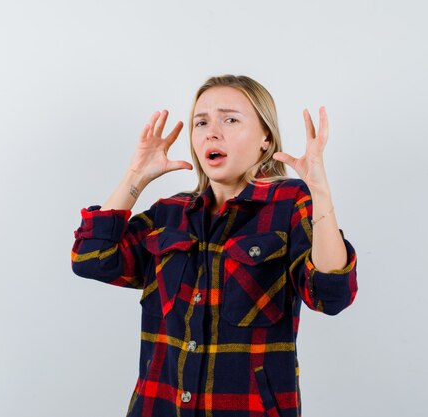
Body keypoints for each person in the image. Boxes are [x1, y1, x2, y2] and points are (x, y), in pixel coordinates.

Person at [71, 74, 358, 417]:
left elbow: (331, 294)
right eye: (201, 122)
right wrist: (136, 175)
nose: (211, 131)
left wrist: (320, 193)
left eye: (230, 119)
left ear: (266, 137)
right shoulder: (169, 214)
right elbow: (90, 258)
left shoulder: (289, 204)